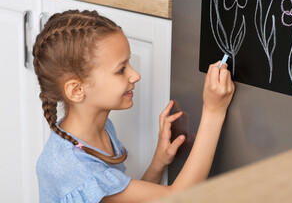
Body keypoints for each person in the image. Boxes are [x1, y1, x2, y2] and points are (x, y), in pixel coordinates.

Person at [33, 10, 235, 203]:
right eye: (121, 70)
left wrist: (159, 161)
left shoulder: (99, 129)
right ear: (77, 90)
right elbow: (179, 197)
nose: (135, 75)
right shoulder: (72, 167)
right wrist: (214, 111)